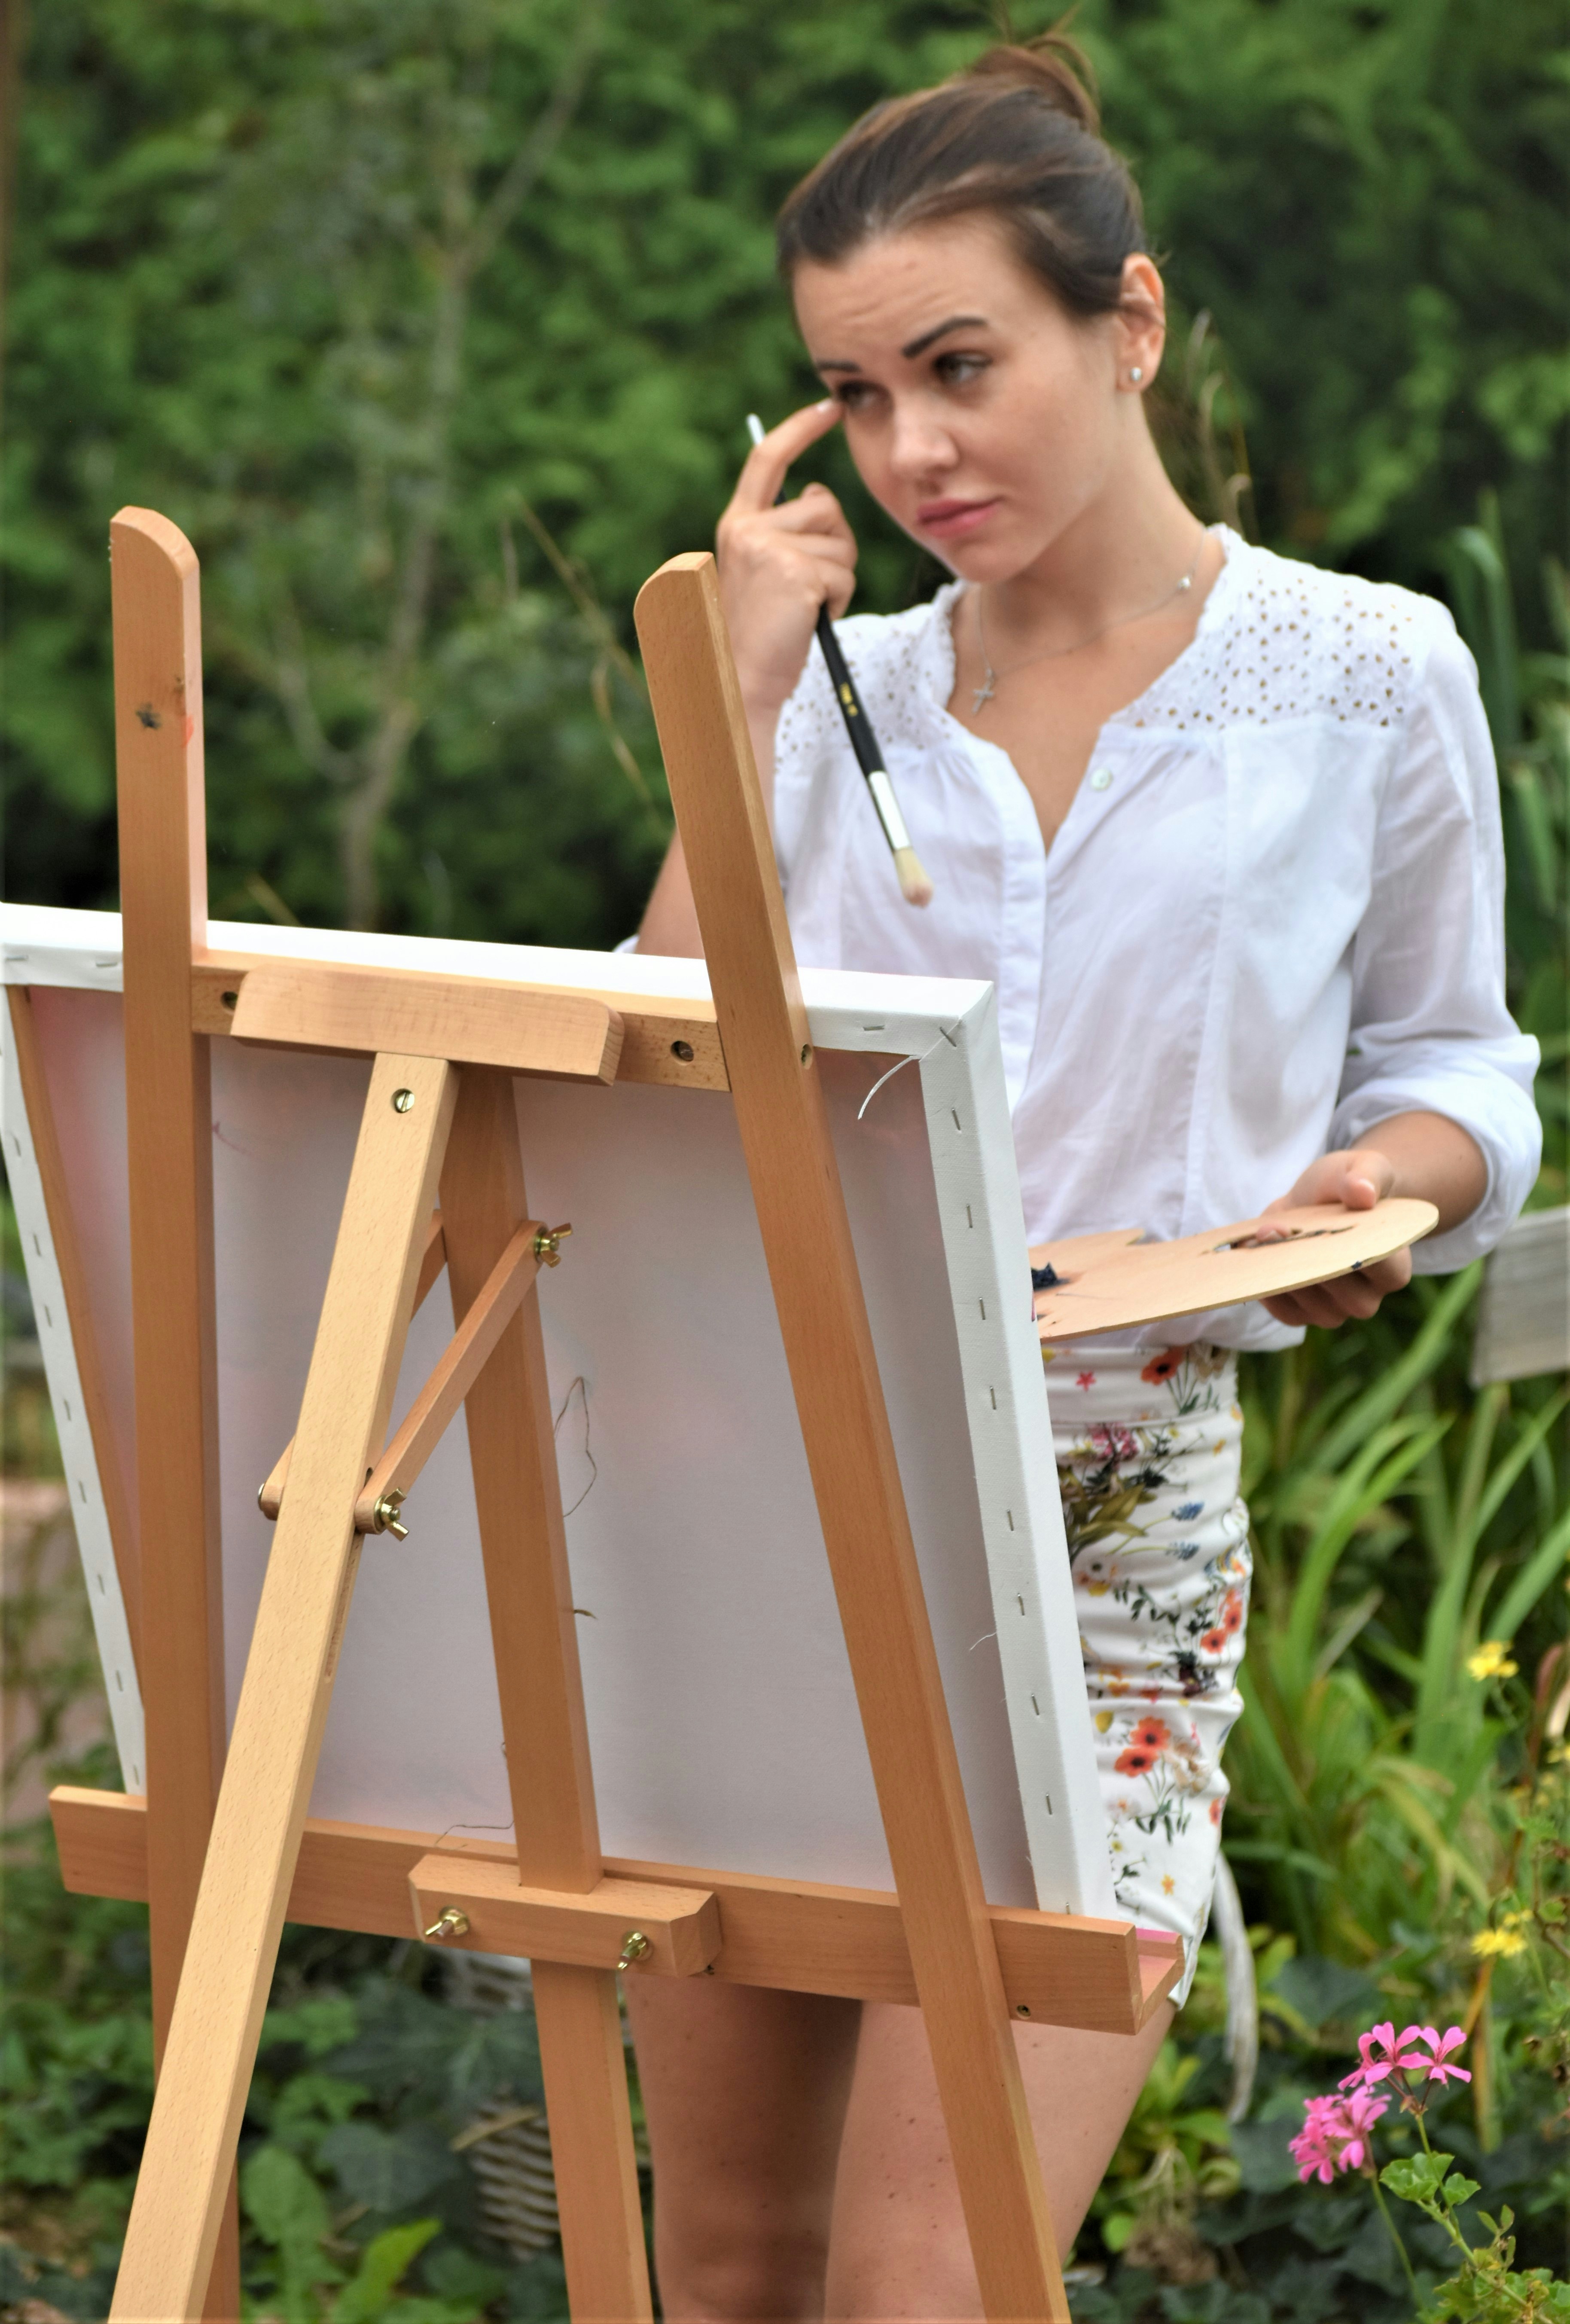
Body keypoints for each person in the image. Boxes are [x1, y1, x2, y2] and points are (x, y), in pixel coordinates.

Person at [629, 29, 1540, 2319]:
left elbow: (1459, 1068)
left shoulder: (1362, 674)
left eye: (961, 363)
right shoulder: (830, 700)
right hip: (770, 1505)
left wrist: (1381, 1191)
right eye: (854, 393)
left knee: (927, 2287)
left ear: (1122, 323)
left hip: (1115, 1548)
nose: (914, 448)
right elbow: (629, 1079)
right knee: (726, 2272)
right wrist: (724, 702)